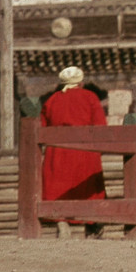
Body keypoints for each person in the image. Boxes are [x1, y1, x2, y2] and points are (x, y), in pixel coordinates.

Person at [41, 65, 108, 234]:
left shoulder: (51, 101)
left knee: (58, 188)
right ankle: (91, 224)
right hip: (85, 152)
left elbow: (41, 129)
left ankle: (61, 223)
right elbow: (101, 127)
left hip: (57, 152)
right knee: (86, 188)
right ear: (81, 83)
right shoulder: (90, 98)